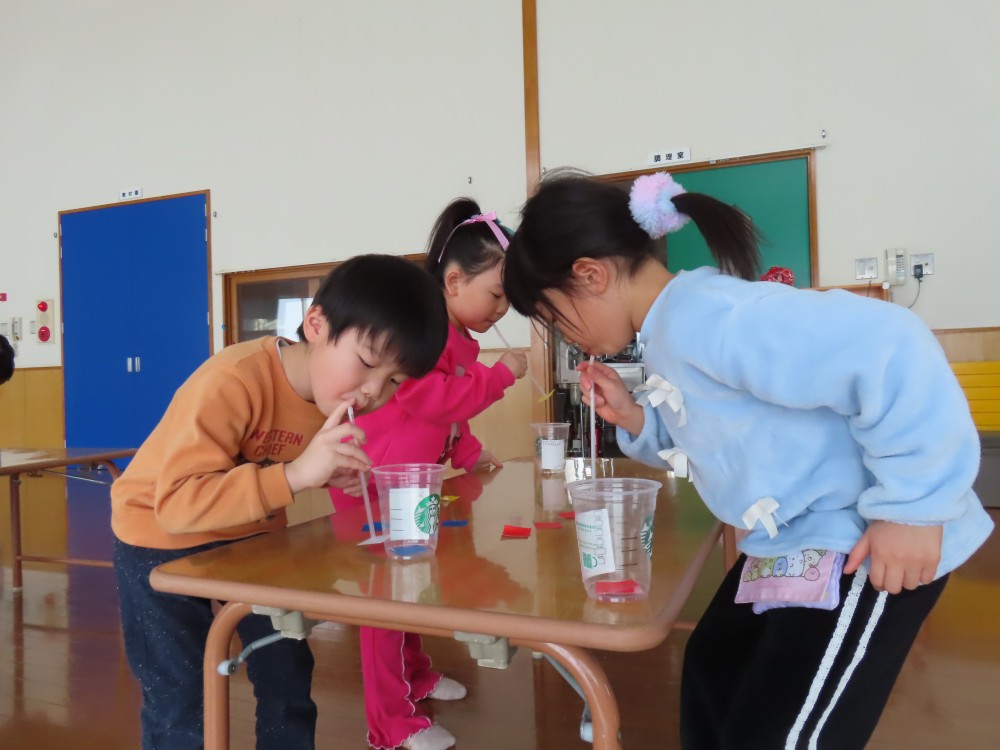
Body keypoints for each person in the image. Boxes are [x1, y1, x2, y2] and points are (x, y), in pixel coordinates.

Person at [501, 171, 994, 749]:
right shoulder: (669, 330)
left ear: (591, 274)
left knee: (778, 731)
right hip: (788, 542)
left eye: (554, 316)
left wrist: (911, 510)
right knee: (714, 667)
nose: (564, 335)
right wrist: (635, 419)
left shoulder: (710, 316)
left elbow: (893, 344)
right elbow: (715, 438)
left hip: (861, 542)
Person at [110, 254, 449, 750]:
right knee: (179, 697)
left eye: (395, 381)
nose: (374, 391)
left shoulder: (331, 400)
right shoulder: (235, 379)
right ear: (316, 325)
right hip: (156, 538)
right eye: (368, 362)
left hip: (248, 538)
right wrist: (295, 475)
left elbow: (280, 466)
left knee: (287, 670)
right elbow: (177, 505)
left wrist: (329, 476)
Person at [328, 199, 527, 750]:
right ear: (455, 280)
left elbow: (447, 420)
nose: (501, 310)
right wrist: (500, 377)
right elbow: (433, 399)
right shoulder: (425, 334)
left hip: (408, 486)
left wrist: (470, 452)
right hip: (371, 485)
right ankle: (391, 724)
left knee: (410, 587)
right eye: (496, 294)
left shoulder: (456, 338)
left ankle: (413, 676)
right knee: (383, 606)